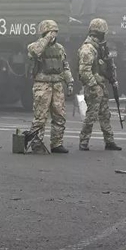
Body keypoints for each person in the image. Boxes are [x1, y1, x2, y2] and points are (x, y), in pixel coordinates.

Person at [26, 19, 73, 153]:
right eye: (51, 32)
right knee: (40, 116)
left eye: (55, 32)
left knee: (59, 115)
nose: (53, 35)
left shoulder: (60, 49)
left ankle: (57, 143)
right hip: (42, 84)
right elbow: (36, 52)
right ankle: (37, 143)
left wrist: (69, 82)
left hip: (57, 85)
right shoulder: (34, 46)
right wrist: (46, 39)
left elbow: (65, 67)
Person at [77, 18, 122, 151]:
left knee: (105, 114)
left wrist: (113, 79)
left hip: (100, 85)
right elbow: (84, 71)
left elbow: (108, 66)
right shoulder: (88, 48)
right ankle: (83, 142)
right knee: (91, 115)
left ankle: (109, 141)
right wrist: (94, 86)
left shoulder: (101, 48)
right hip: (94, 87)